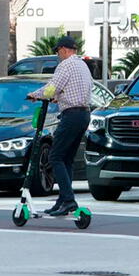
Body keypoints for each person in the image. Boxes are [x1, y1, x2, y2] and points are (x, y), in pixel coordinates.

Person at [27, 36, 92, 216]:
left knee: (55, 156)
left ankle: (69, 200)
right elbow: (78, 89)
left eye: (58, 51)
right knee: (67, 159)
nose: (58, 55)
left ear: (64, 49)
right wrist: (60, 96)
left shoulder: (66, 65)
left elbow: (51, 88)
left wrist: (35, 95)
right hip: (84, 114)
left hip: (71, 115)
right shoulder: (82, 65)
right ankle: (63, 199)